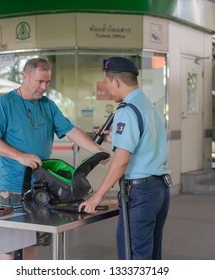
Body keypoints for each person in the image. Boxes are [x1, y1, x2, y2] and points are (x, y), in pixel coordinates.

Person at [0, 57, 107, 260]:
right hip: (12, 186)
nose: (44, 87)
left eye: (47, 82)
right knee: (9, 245)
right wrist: (19, 156)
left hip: (40, 187)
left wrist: (97, 151)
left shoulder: (48, 106)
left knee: (33, 240)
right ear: (25, 76)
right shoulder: (6, 103)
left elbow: (71, 131)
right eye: (40, 82)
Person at [79, 57, 171, 260]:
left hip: (140, 194)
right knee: (151, 255)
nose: (106, 87)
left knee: (133, 257)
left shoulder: (127, 109)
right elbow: (143, 139)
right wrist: (112, 136)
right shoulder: (148, 105)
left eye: (106, 83)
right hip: (159, 190)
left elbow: (121, 160)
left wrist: (97, 196)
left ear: (117, 82)